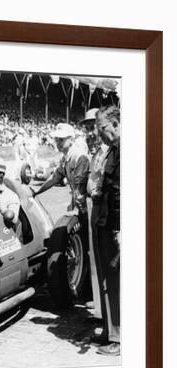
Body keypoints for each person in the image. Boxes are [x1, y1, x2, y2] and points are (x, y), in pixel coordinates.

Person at [94, 105, 121, 356]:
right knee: (109, 280)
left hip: (115, 226)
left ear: (115, 124)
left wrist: (122, 228)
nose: (99, 133)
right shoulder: (113, 149)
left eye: (102, 128)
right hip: (106, 222)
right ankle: (112, 332)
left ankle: (119, 338)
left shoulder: (124, 149)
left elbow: (121, 193)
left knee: (116, 281)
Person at [80, 108, 109, 320]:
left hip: (103, 208)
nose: (91, 133)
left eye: (94, 128)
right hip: (93, 205)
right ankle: (100, 306)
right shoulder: (96, 151)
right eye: (88, 129)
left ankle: (105, 310)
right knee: (94, 257)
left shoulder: (109, 150)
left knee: (105, 261)